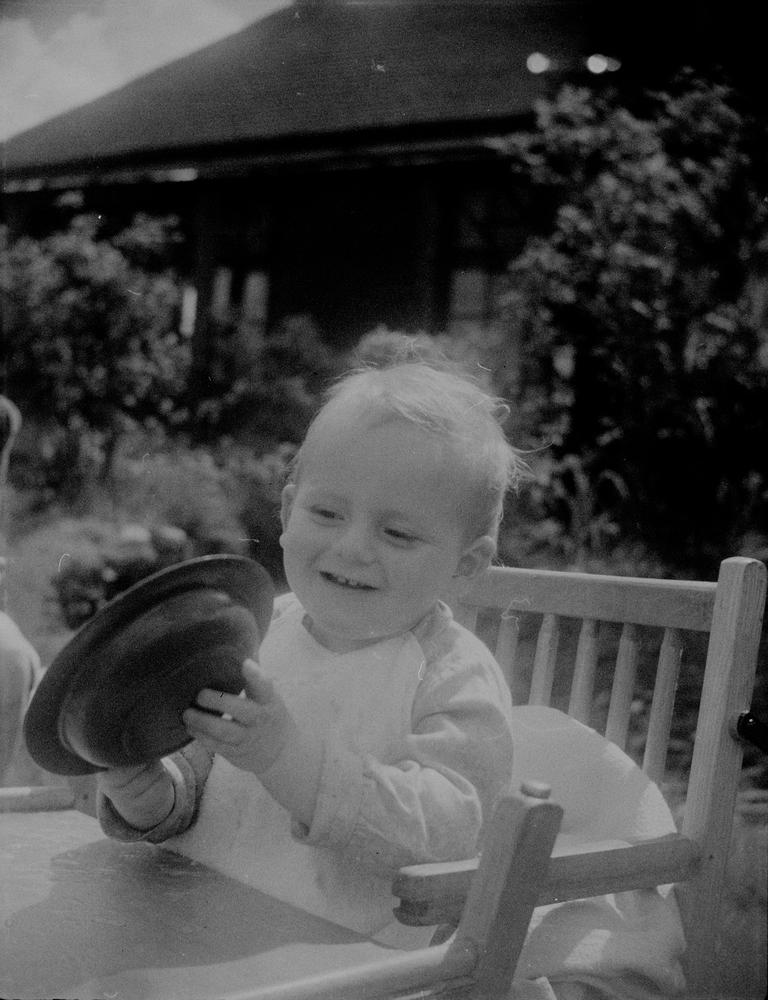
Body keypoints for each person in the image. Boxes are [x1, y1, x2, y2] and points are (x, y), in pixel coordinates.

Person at [97, 356, 523, 945]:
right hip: (196, 929)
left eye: (397, 533)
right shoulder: (253, 630)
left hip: (351, 957)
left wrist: (287, 759)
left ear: (466, 564)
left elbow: (448, 835)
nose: (352, 547)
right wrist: (156, 796)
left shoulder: (453, 674)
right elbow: (203, 769)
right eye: (327, 513)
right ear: (287, 512)